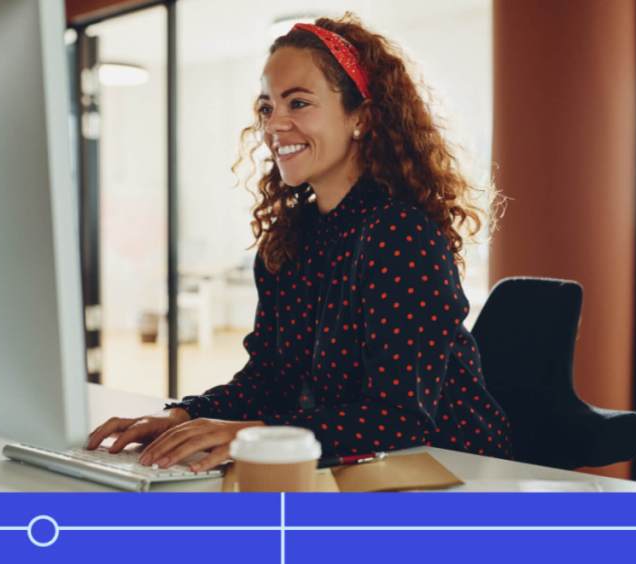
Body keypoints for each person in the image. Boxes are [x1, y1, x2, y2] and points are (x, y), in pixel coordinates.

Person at [87, 15, 511, 471]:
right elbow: (268, 378)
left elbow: (401, 418)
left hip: (454, 470)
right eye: (267, 107)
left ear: (361, 118)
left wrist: (254, 435)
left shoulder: (401, 234)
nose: (275, 126)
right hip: (354, 465)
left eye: (299, 103)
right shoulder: (289, 239)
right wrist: (180, 415)